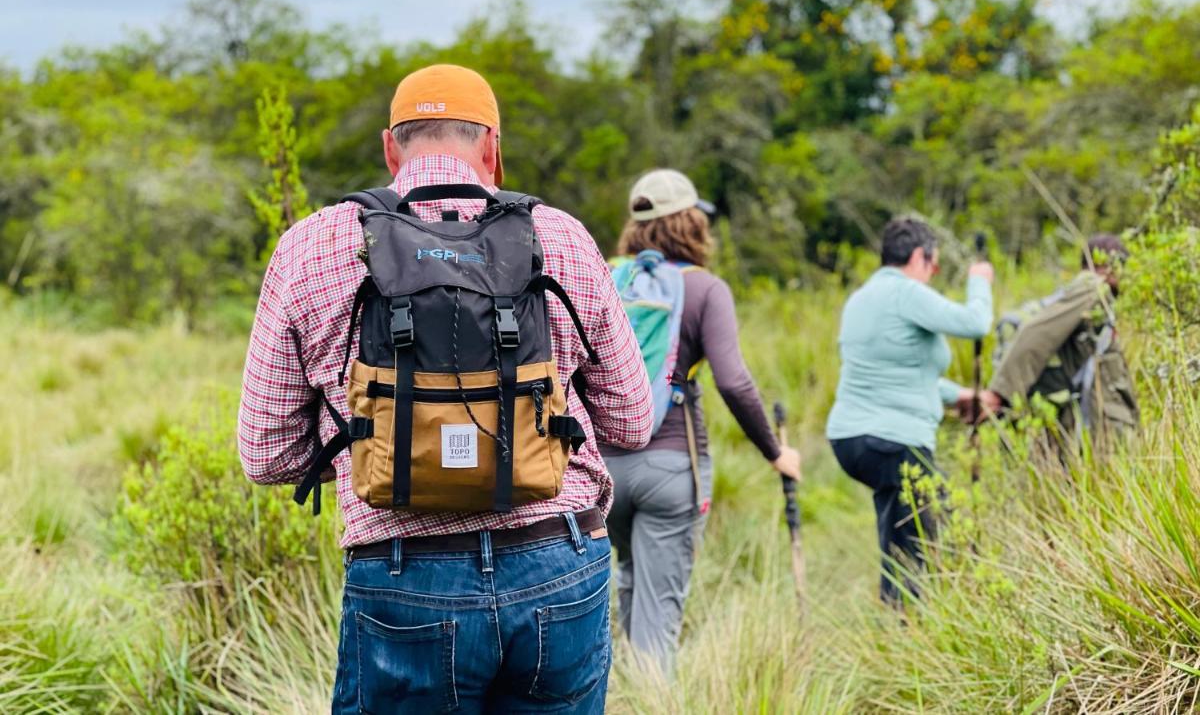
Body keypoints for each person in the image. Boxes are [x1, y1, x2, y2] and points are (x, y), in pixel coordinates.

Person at [238, 63, 654, 713]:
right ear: (492, 147)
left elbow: (267, 457)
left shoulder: (312, 246)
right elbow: (631, 422)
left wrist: (379, 452)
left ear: (390, 146)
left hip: (403, 567)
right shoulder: (564, 239)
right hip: (557, 561)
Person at [600, 168, 802, 671]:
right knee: (660, 612)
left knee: (629, 577)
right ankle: (652, 697)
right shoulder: (706, 289)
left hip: (602, 468)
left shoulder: (604, 277)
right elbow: (733, 381)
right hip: (672, 464)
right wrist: (775, 453)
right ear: (690, 223)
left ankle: (627, 688)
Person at [826, 217, 993, 605]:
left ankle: (901, 623)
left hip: (852, 439)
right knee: (931, 535)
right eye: (933, 266)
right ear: (919, 256)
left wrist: (959, 395)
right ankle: (912, 629)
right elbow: (975, 323)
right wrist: (980, 280)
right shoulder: (905, 293)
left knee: (903, 534)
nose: (932, 275)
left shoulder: (861, 298)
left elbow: (899, 372)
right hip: (894, 438)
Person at [981, 233, 1138, 454]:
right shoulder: (1092, 289)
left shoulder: (1088, 295)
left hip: (1093, 424)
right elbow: (1037, 333)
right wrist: (1000, 393)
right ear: (1107, 264)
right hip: (1098, 430)